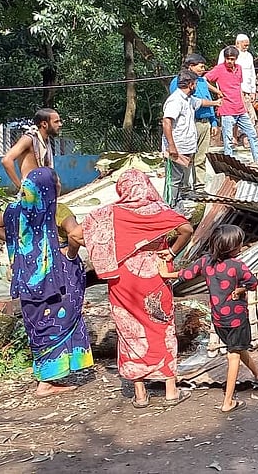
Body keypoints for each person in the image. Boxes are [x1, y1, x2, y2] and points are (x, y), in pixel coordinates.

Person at [83, 169, 194, 409]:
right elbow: (187, 229)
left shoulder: (108, 214)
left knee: (129, 331)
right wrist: (173, 251)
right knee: (161, 327)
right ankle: (171, 389)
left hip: (122, 281)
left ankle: (140, 393)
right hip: (155, 277)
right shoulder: (158, 211)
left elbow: (79, 232)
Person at [0, 168, 93, 396]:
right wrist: (70, 254)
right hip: (57, 277)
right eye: (57, 181)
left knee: (38, 323)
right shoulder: (58, 210)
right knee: (62, 319)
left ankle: (48, 376)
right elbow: (77, 235)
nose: (59, 184)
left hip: (27, 278)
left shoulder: (13, 211)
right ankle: (47, 382)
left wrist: (23, 243)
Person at [160, 224, 258, 412]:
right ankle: (228, 402)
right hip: (237, 319)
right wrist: (240, 290)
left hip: (218, 319)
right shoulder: (237, 266)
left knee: (237, 347)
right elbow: (253, 283)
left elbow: (186, 275)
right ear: (234, 248)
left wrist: (166, 274)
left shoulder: (205, 262)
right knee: (233, 355)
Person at [162, 70, 221, 202]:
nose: (196, 86)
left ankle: (180, 201)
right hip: (176, 148)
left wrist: (216, 103)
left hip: (186, 148)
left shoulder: (188, 99)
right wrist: (171, 147)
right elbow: (166, 122)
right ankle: (170, 206)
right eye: (195, 84)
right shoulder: (175, 100)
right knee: (174, 180)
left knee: (183, 179)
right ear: (190, 84)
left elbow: (201, 102)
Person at [206, 46, 258, 166]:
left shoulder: (239, 69)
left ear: (236, 59)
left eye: (232, 59)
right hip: (227, 110)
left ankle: (257, 160)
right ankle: (230, 164)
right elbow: (204, 79)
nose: (229, 61)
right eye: (227, 59)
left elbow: (239, 88)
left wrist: (245, 106)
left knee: (252, 134)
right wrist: (217, 92)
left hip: (240, 109)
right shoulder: (219, 69)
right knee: (228, 140)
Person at [1, 109, 63, 190]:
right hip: (32, 192)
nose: (60, 124)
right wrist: (20, 187)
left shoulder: (45, 141)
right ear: (44, 124)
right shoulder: (29, 139)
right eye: (56, 122)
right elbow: (6, 160)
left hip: (44, 191)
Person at [218, 34, 258, 148]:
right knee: (232, 116)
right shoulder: (226, 53)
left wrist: (253, 90)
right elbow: (219, 71)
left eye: (247, 45)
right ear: (237, 43)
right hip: (230, 91)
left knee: (248, 115)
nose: (246, 47)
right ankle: (233, 140)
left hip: (245, 90)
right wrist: (220, 90)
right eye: (244, 45)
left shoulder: (249, 56)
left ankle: (246, 140)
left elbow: (252, 73)